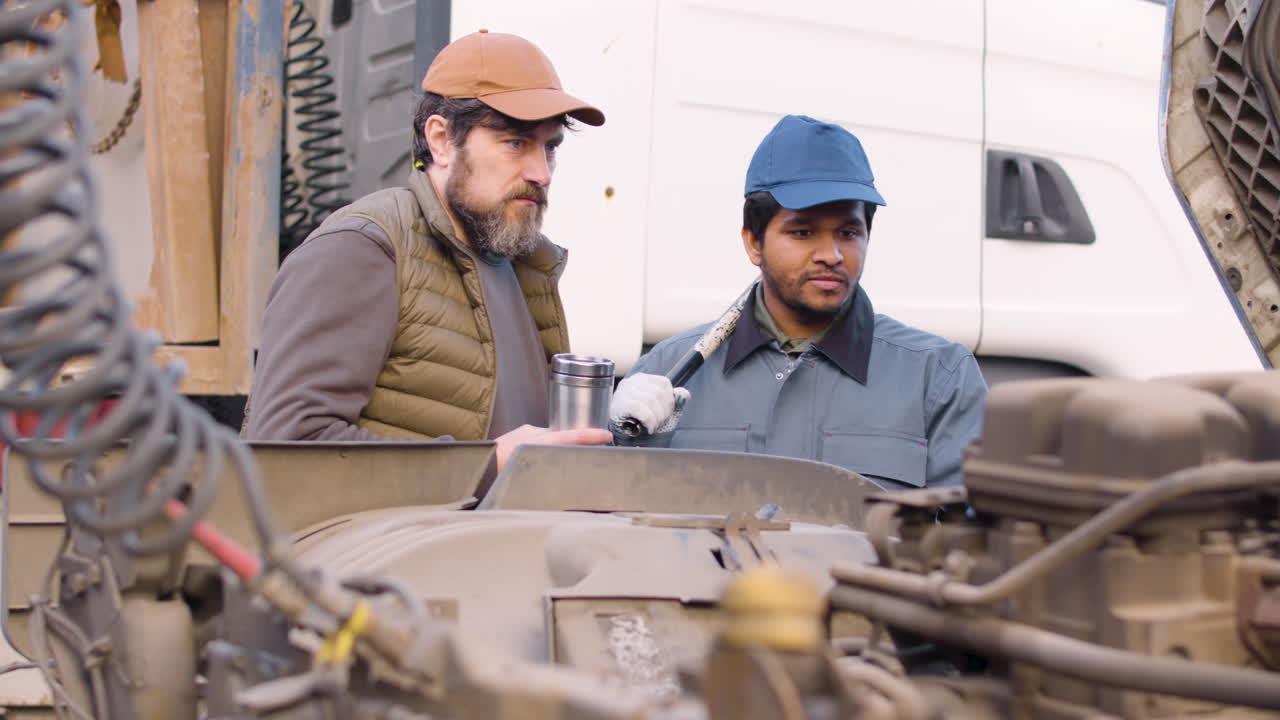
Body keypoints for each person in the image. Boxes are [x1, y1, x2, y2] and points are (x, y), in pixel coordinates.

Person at [243, 30, 611, 468]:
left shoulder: (524, 263)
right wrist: (482, 465)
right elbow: (286, 448)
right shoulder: (363, 249)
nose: (542, 172)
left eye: (549, 148)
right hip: (378, 539)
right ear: (440, 139)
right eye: (517, 142)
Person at [610, 115, 987, 488]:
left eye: (849, 232)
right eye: (803, 232)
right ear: (754, 242)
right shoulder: (666, 372)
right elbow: (610, 521)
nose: (832, 254)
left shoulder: (938, 378)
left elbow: (977, 538)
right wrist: (625, 441)